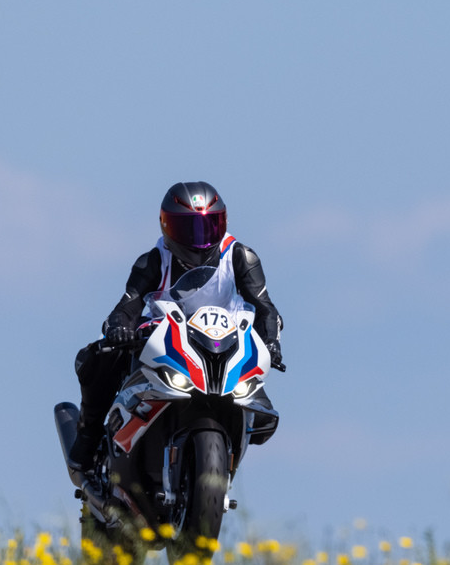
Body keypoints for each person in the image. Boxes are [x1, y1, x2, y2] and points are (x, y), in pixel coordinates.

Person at [68, 181, 286, 476]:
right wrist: (120, 327)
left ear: (224, 223)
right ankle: (88, 439)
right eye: (188, 229)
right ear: (167, 228)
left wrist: (271, 341)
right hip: (169, 342)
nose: (199, 240)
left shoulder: (240, 257)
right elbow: (128, 304)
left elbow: (265, 307)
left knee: (263, 418)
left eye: (208, 227)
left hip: (224, 345)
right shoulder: (155, 260)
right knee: (98, 358)